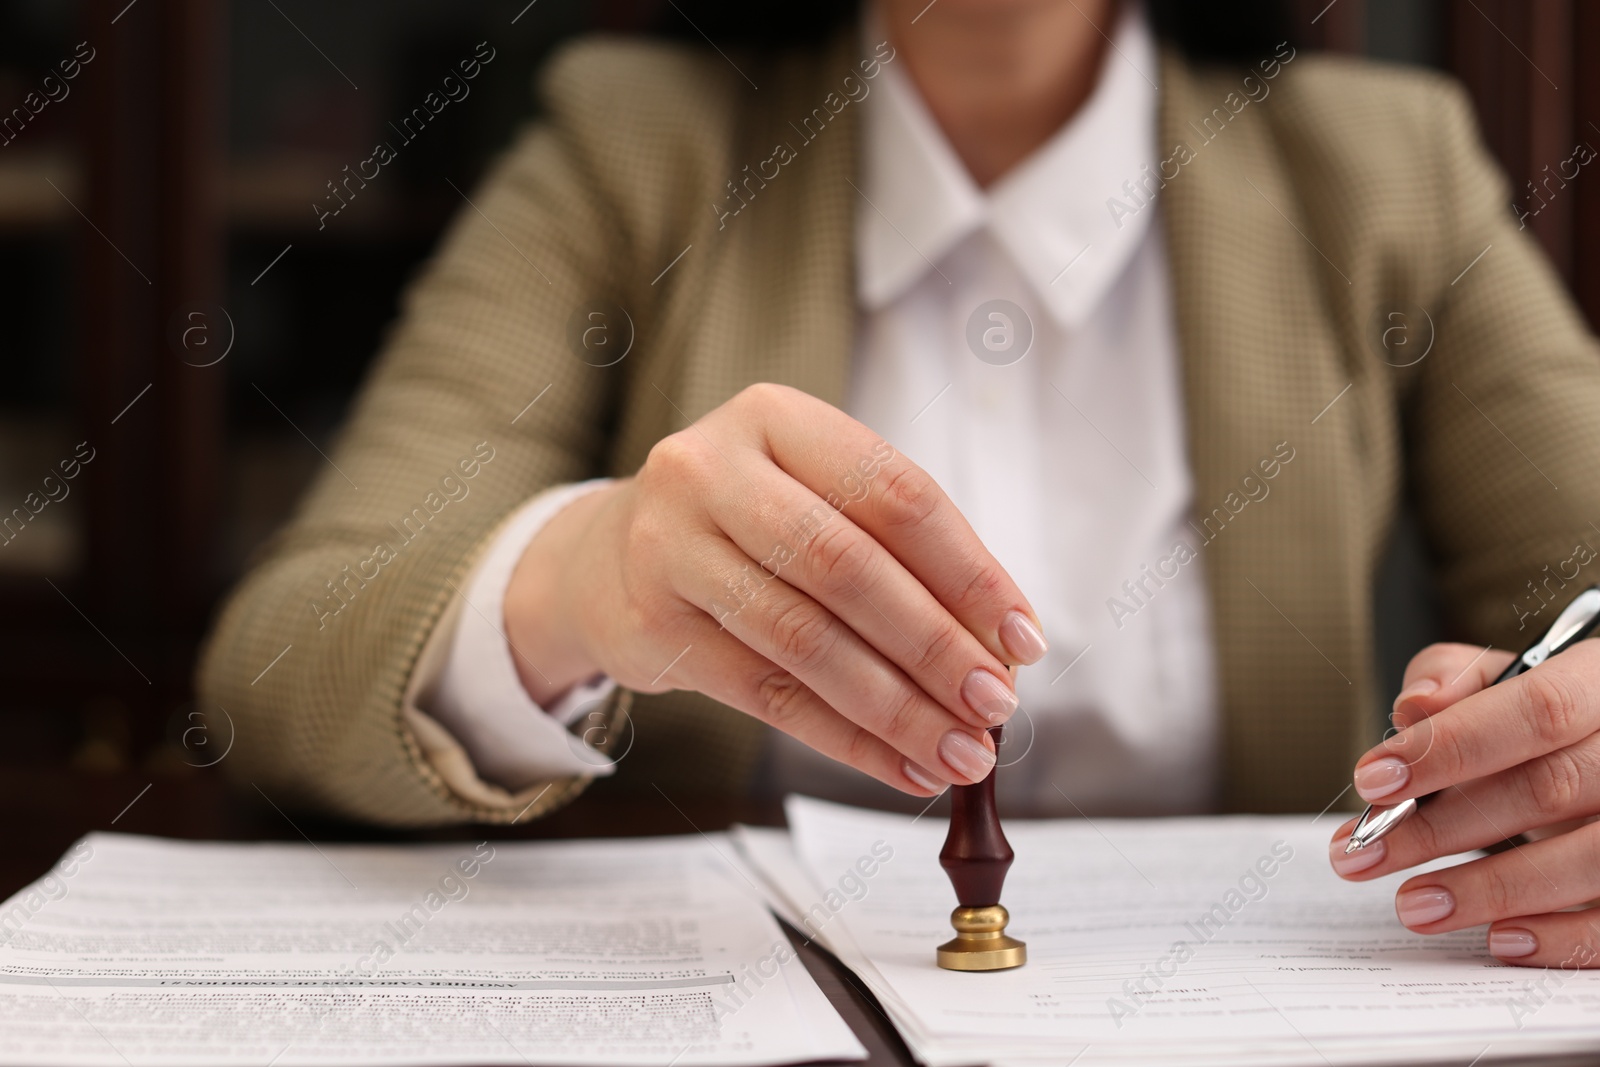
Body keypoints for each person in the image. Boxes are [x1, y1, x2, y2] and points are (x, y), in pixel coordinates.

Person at [199, 0, 1600, 970]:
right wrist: (580, 577)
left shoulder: (1384, 166)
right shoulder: (631, 142)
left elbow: (1579, 583)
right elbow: (281, 669)